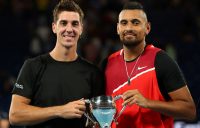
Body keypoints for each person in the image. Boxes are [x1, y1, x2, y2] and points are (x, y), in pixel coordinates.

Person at [9, 0, 104, 128]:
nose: (69, 29)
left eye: (75, 24)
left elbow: (98, 122)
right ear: (54, 27)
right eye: (63, 23)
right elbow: (15, 115)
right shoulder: (32, 66)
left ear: (81, 28)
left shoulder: (93, 73)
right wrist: (60, 110)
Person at [104, 1, 196, 128]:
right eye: (124, 23)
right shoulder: (107, 63)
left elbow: (189, 110)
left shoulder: (161, 60)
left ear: (147, 28)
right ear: (118, 28)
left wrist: (147, 103)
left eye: (135, 23)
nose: (129, 28)